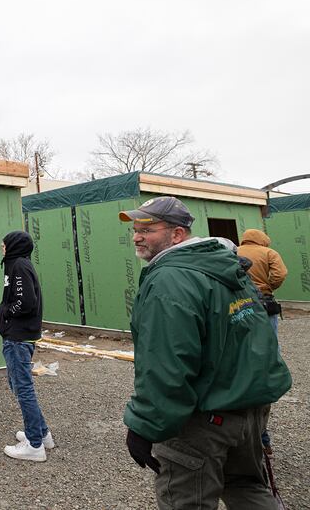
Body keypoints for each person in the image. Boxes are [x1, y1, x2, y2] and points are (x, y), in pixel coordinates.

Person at [119, 196, 291, 508]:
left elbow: (168, 362)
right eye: (135, 228)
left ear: (177, 234)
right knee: (246, 489)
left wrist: (145, 425)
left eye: (147, 228)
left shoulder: (170, 279)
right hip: (246, 411)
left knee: (186, 501)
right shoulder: (226, 268)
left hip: (203, 420)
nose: (137, 235)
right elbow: (257, 341)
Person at [0, 231, 54, 462]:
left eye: (4, 244)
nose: (1, 248)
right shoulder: (18, 264)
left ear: (14, 245)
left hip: (18, 338)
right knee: (19, 385)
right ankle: (42, 434)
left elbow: (26, 302)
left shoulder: (19, 265)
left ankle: (34, 445)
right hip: (20, 336)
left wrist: (6, 313)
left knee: (23, 388)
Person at [237, 228, 288, 336]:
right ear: (263, 239)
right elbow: (280, 274)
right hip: (263, 300)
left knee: (245, 339)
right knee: (270, 339)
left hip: (238, 300)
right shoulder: (269, 252)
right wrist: (268, 287)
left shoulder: (233, 251)